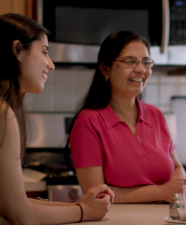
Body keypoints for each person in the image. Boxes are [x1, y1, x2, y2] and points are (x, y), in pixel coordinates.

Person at [0, 13, 114, 224]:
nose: (51, 65)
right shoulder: (2, 113)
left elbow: (10, 204)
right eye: (44, 52)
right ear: (17, 50)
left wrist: (79, 206)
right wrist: (84, 212)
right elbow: (19, 215)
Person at [67, 31, 185, 203]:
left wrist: (176, 188)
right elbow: (96, 193)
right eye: (130, 61)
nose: (141, 69)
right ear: (105, 68)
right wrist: (160, 193)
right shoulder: (89, 122)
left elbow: (176, 167)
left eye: (146, 62)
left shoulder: (155, 115)